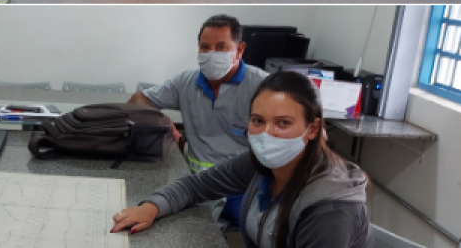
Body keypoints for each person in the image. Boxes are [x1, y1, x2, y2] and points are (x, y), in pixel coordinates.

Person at [113, 71, 371, 248]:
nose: (267, 133)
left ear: (312, 129)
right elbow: (194, 186)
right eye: (258, 120)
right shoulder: (262, 164)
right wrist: (151, 207)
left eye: (283, 123)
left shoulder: (330, 210)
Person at [127, 14, 269, 226]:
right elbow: (137, 100)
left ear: (239, 50)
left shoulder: (264, 86)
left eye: (221, 47)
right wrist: (160, 119)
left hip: (241, 189)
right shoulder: (186, 82)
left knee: (266, 230)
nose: (211, 55)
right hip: (194, 183)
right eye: (205, 47)